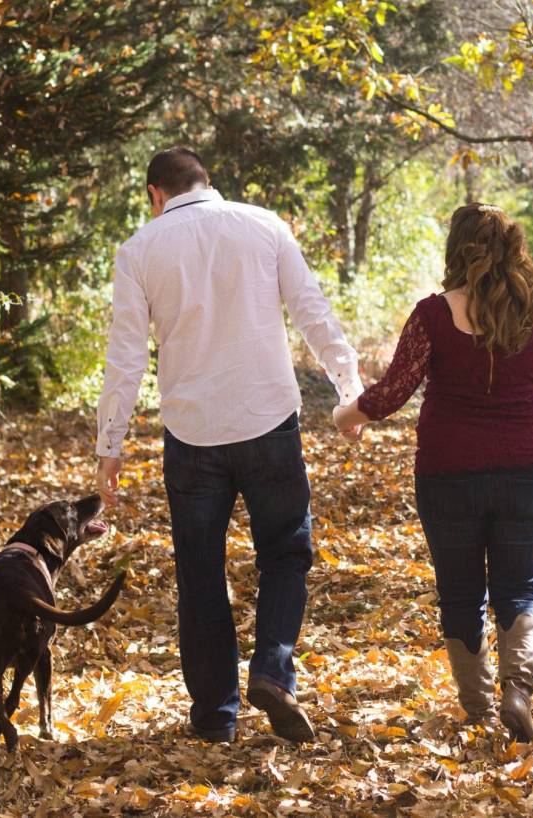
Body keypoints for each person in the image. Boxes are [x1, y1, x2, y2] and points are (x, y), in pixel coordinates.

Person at [94, 147, 362, 744]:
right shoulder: (264, 226)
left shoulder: (138, 251)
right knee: (286, 554)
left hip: (192, 436)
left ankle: (216, 717)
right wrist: (350, 389)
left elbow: (126, 357)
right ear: (205, 182)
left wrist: (109, 443)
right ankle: (272, 667)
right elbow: (312, 313)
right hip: (268, 421)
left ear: (154, 194)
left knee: (200, 574)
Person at [332, 203, 533, 742]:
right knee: (520, 591)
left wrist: (344, 415)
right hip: (529, 473)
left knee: (461, 594)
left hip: (449, 474)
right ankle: (518, 689)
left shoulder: (433, 315)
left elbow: (393, 392)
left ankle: (479, 708)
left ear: (456, 250)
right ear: (513, 249)